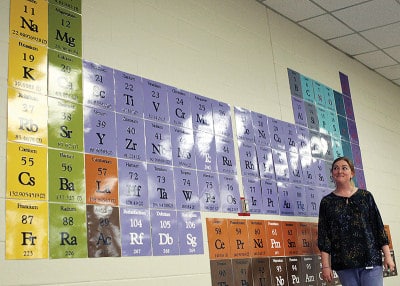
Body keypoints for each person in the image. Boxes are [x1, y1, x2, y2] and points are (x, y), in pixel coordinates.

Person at [318, 156, 395, 286]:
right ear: (332, 174)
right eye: (335, 168)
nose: (339, 171)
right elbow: (324, 236)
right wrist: (325, 266)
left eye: (344, 168)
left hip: (370, 260)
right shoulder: (327, 202)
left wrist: (387, 255)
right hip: (344, 264)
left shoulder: (365, 196)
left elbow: (378, 227)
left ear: (352, 173)